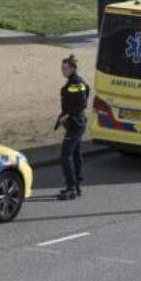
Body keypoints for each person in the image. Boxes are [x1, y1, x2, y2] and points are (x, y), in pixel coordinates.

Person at [57, 54, 90, 200]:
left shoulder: (76, 83)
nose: (62, 71)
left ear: (72, 68)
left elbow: (82, 104)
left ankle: (71, 187)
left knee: (66, 155)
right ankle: (76, 186)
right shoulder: (73, 82)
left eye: (65, 68)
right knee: (75, 154)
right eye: (62, 68)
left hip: (76, 124)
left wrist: (68, 115)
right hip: (76, 123)